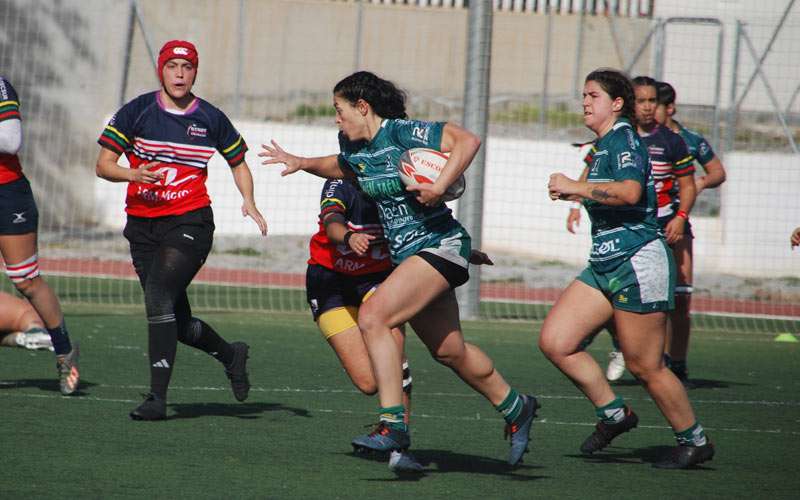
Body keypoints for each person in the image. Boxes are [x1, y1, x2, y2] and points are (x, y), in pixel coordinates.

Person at [261, 71, 538, 467]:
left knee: (375, 316)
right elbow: (339, 167)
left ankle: (393, 425)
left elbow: (467, 140)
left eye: (339, 111)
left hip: (438, 247)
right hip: (411, 256)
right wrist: (301, 162)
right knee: (449, 350)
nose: (336, 120)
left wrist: (440, 185)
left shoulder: (404, 133)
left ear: (363, 106)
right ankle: (516, 406)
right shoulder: (356, 149)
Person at [542, 68, 714, 468]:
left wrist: (576, 187)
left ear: (617, 104)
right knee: (556, 341)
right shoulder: (602, 145)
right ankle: (614, 413)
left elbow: (631, 192)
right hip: (605, 262)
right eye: (583, 95)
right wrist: (574, 190)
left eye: (593, 96)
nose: (585, 102)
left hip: (637, 260)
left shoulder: (622, 139)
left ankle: (694, 440)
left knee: (644, 365)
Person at [95, 40, 267, 420]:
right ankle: (230, 354)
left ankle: (157, 400)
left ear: (195, 72)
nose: (179, 73)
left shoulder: (210, 117)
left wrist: (249, 200)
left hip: (190, 220)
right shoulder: (136, 111)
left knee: (157, 296)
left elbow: (238, 162)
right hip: (142, 226)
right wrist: (132, 172)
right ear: (161, 69)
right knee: (176, 323)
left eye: (186, 67)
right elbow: (103, 164)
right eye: (172, 66)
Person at [0, 76, 79, 394]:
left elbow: (11, 140)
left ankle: (65, 353)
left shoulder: (1, 87)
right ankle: (18, 336)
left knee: (26, 280)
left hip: (7, 194)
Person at [655, 80, 727, 382]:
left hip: (678, 222)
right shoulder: (635, 138)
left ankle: (678, 362)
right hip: (646, 225)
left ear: (669, 107)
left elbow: (717, 172)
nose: (647, 109)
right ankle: (638, 352)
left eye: (654, 103)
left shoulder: (688, 140)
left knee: (681, 297)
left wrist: (696, 184)